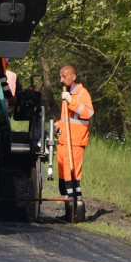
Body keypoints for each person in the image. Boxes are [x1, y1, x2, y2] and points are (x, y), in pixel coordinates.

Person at [57, 65, 94, 221]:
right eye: (60, 76)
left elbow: (88, 113)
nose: (61, 80)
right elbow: (67, 119)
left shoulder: (81, 93)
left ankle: (76, 214)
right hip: (64, 142)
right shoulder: (68, 94)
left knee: (73, 178)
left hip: (75, 143)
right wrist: (57, 125)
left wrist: (71, 101)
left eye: (64, 76)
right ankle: (68, 212)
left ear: (73, 76)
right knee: (64, 180)